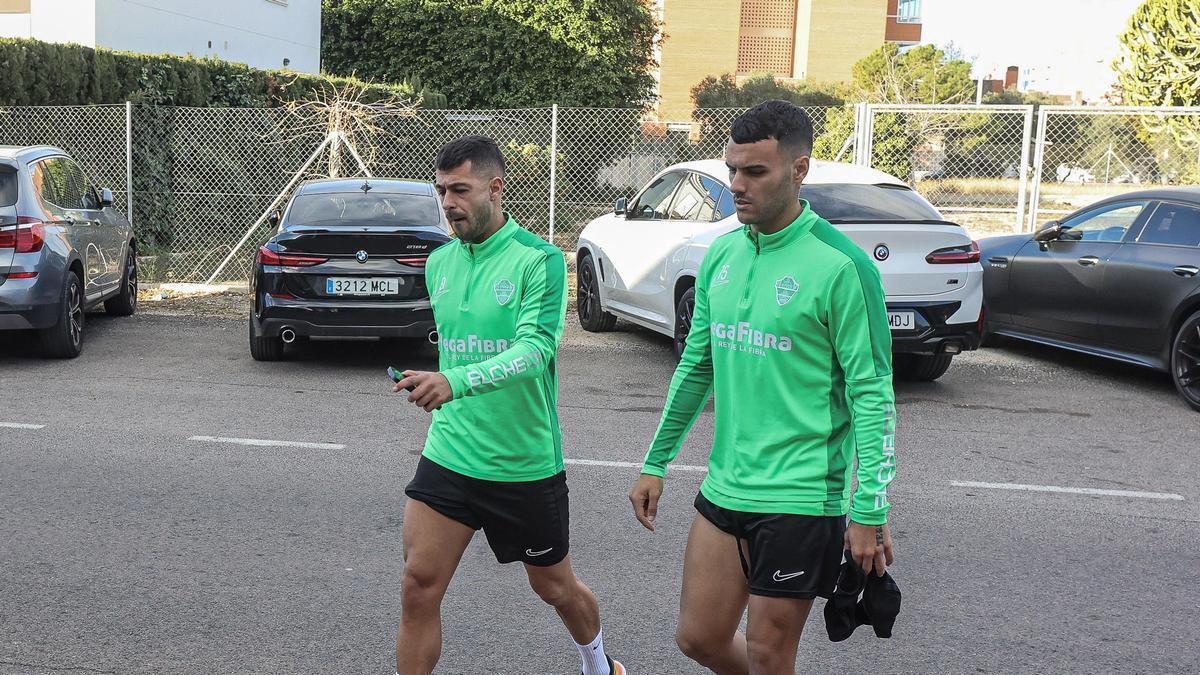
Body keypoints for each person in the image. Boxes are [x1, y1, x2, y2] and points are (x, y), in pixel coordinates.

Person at [628, 101, 897, 675]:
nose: (736, 186)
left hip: (801, 497)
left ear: (799, 170)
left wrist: (868, 508)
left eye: (755, 173)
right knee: (697, 637)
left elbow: (872, 396)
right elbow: (696, 365)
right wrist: (656, 462)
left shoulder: (843, 266)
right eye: (732, 170)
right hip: (725, 488)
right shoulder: (721, 252)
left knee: (770, 653)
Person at [392, 135, 625, 675]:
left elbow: (535, 349)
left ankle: (597, 663)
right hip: (450, 452)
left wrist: (454, 382)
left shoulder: (537, 260)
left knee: (554, 586)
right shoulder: (440, 261)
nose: (448, 202)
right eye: (441, 190)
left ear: (496, 188)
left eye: (460, 190)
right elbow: (457, 346)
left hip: (522, 465)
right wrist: (433, 383)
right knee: (417, 586)